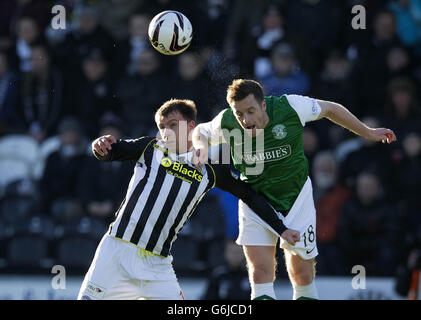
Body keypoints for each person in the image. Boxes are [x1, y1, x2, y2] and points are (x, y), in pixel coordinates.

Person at [192, 79, 397, 300]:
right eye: (240, 113)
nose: (246, 120)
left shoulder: (289, 107)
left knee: (302, 274)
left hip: (296, 200)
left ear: (263, 105)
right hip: (256, 202)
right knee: (260, 273)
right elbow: (200, 132)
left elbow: (330, 108)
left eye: (251, 111)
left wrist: (368, 132)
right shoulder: (227, 121)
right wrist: (201, 150)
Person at [77, 98, 299, 300]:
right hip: (117, 252)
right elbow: (111, 151)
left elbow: (249, 195)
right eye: (162, 127)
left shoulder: (211, 168)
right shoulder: (150, 148)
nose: (166, 132)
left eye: (172, 124)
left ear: (192, 127)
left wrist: (281, 229)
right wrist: (100, 146)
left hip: (158, 265)